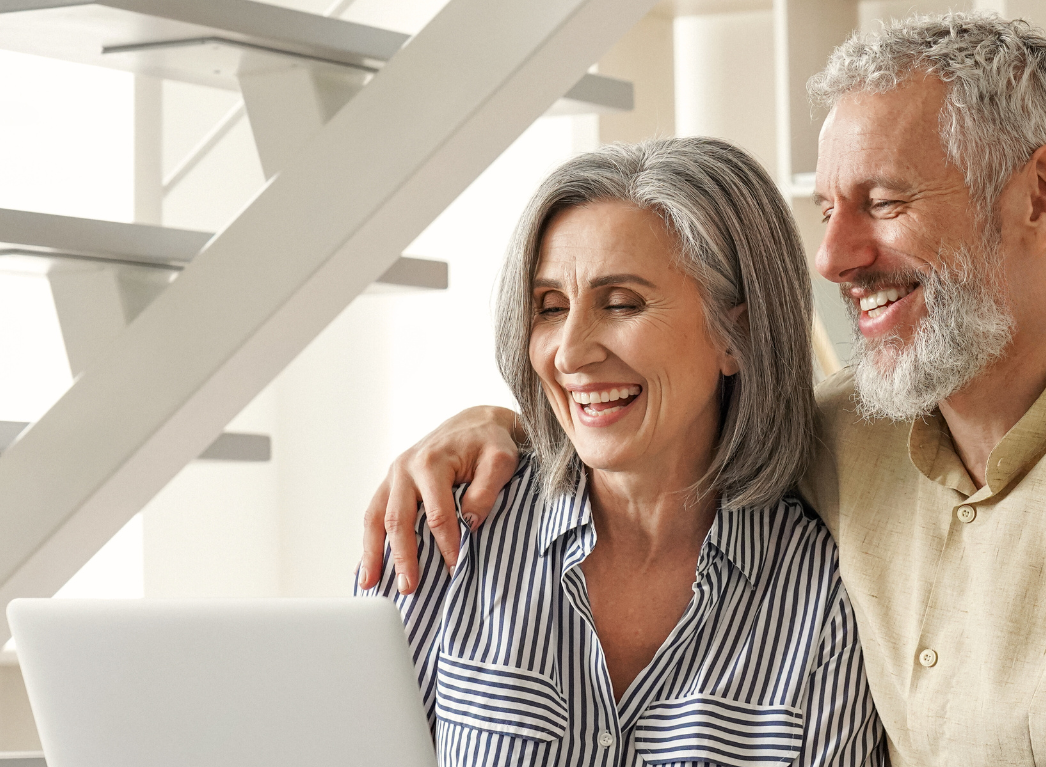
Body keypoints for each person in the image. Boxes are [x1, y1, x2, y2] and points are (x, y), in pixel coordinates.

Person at [360, 14, 1046, 767]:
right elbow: (664, 422)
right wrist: (501, 428)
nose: (832, 256)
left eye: (884, 203)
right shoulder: (840, 437)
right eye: (827, 209)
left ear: (1041, 196)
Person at [358, 137, 887, 766]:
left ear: (736, 334)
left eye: (621, 303)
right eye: (551, 307)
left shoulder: (824, 599)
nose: (570, 352)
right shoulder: (445, 528)